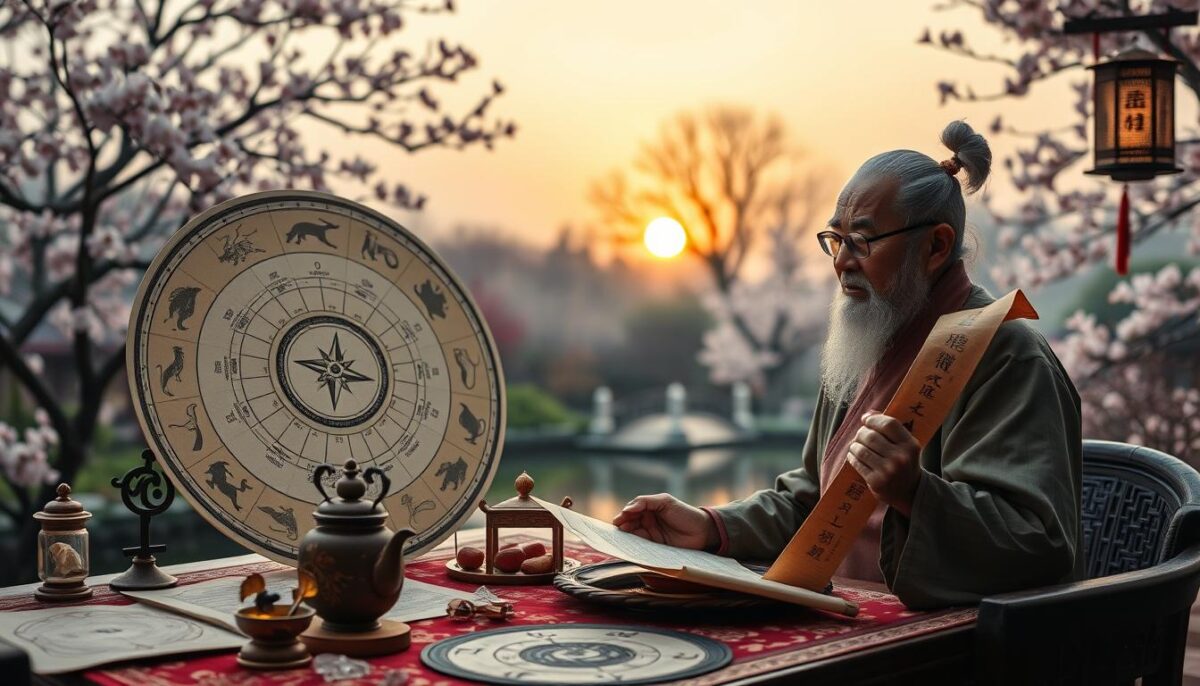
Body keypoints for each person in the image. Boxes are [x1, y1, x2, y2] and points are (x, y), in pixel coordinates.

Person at [612, 120, 1084, 609]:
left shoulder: (1004, 353)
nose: (842, 262)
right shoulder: (868, 338)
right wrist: (711, 526)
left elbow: (1037, 544)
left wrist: (914, 492)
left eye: (862, 241)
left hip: (953, 645)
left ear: (936, 247)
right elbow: (812, 503)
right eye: (835, 240)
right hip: (839, 615)